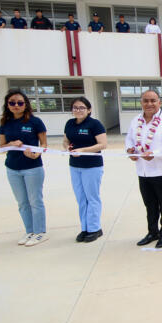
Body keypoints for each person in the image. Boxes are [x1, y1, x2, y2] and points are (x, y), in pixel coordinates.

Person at [125, 89, 162, 249]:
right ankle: (152, 232)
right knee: (149, 204)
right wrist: (130, 150)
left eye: (153, 100)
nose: (149, 104)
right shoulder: (136, 120)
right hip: (143, 170)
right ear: (141, 102)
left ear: (159, 102)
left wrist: (156, 154)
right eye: (145, 100)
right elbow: (129, 138)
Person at [0, 89, 48, 247]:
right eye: (12, 103)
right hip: (12, 168)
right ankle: (29, 231)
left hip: (32, 167)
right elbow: (2, 146)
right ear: (7, 105)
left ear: (26, 104)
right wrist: (11, 144)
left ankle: (40, 232)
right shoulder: (5, 123)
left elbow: (44, 144)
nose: (16, 105)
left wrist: (36, 154)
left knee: (35, 200)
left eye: (20, 102)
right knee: (22, 202)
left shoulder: (35, 122)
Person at [63, 96, 108, 243]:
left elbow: (102, 144)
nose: (78, 110)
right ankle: (85, 228)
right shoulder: (70, 123)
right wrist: (67, 147)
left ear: (89, 110)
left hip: (92, 166)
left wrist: (83, 150)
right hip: (75, 166)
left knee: (92, 198)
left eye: (82, 108)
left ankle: (95, 229)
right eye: (75, 107)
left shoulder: (95, 124)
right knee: (81, 198)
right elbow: (66, 140)